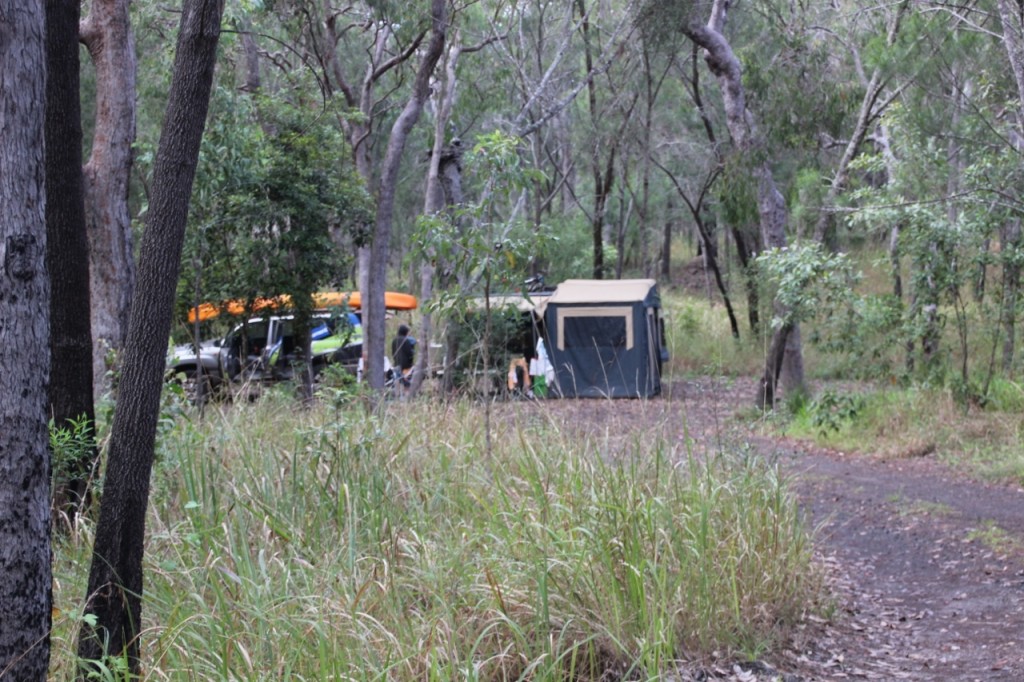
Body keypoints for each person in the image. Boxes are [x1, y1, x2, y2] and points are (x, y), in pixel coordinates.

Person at [391, 324, 417, 390]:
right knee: (407, 382)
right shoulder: (406, 340)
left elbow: (393, 353)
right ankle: (407, 393)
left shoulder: (394, 340)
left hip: (397, 364)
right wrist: (411, 362)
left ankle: (398, 396)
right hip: (406, 366)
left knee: (398, 381)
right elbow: (409, 353)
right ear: (405, 332)